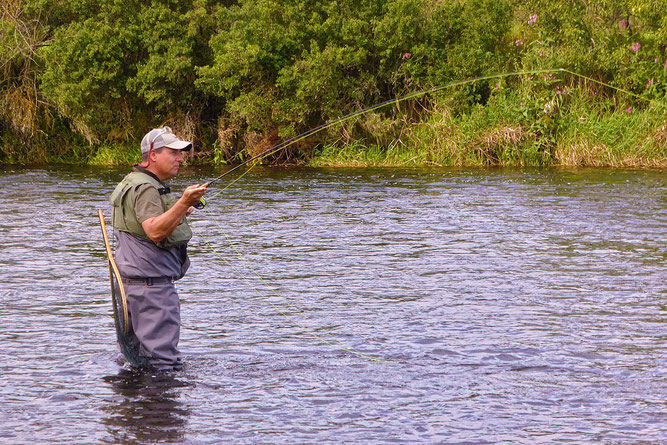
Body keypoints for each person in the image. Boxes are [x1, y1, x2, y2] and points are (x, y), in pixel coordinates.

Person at [109, 126, 207, 371]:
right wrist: (184, 201)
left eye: (181, 153)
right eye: (173, 153)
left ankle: (135, 409)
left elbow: (141, 225)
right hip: (152, 291)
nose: (180, 158)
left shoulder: (132, 181)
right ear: (152, 155)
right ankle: (158, 410)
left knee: (138, 363)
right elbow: (154, 230)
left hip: (133, 288)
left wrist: (179, 210)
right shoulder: (147, 188)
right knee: (162, 366)